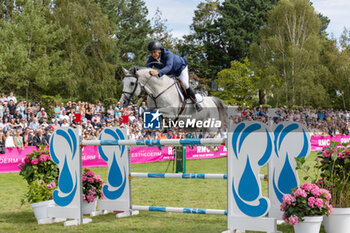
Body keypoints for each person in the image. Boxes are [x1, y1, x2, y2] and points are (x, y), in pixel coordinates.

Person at [146, 40, 203, 111]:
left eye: (154, 52)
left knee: (185, 83)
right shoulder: (151, 58)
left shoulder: (168, 54)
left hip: (180, 69)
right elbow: (147, 68)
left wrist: (158, 72)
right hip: (169, 72)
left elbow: (168, 67)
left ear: (159, 50)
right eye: (151, 53)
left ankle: (196, 102)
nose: (153, 54)